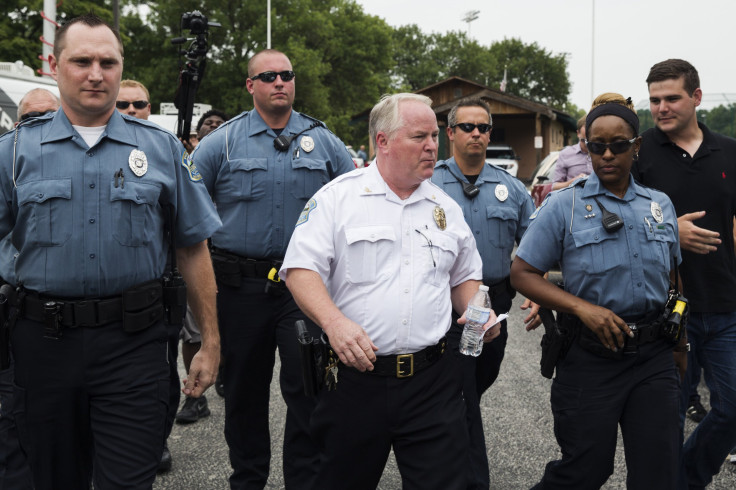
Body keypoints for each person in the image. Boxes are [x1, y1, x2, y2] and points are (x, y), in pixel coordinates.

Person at [0, 14, 222, 489]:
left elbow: (193, 246)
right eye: (82, 61)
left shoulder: (162, 150)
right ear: (56, 67)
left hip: (134, 347)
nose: (95, 73)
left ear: (122, 67)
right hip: (42, 346)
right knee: (52, 478)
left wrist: (210, 340)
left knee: (130, 479)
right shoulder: (14, 152)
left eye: (108, 61)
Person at [280, 93, 501, 490]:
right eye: (420, 136)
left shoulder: (444, 207)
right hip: (354, 381)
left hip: (432, 383)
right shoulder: (338, 199)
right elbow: (300, 270)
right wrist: (334, 323)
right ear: (382, 141)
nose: (433, 146)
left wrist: (478, 309)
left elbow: (466, 276)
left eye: (435, 136)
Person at [190, 49, 355, 489]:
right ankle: (247, 479)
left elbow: (356, 205)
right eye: (268, 76)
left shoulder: (324, 142)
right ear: (251, 86)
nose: (279, 82)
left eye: (286, 75)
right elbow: (188, 212)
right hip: (240, 287)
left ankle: (303, 481)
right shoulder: (220, 142)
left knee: (308, 391)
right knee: (244, 393)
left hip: (303, 289)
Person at [511, 93, 686, 489]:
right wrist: (581, 309)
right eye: (597, 146)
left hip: (654, 355)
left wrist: (680, 346)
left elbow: (674, 279)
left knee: (658, 470)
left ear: (636, 146)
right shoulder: (563, 206)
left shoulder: (659, 205)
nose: (607, 154)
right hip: (591, 356)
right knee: (584, 470)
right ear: (586, 146)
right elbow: (522, 272)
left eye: (619, 145)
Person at [632, 58, 736, 488]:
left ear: (696, 97)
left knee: (732, 408)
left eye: (671, 98)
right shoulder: (638, 153)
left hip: (726, 307)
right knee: (667, 418)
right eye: (654, 100)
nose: (661, 108)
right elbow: (615, 218)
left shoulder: (729, 151)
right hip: (668, 311)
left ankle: (689, 477)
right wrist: (669, 229)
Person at [431, 97, 539, 489]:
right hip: (442, 307)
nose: (476, 133)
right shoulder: (428, 185)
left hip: (494, 307)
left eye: (483, 127)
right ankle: (469, 477)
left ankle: (443, 444)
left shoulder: (511, 189)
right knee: (461, 394)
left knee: (475, 384)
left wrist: (539, 291)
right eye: (467, 127)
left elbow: (534, 246)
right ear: (450, 133)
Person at [0, 88, 60, 490]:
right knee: (12, 416)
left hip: (71, 319)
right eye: (30, 117)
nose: (38, 124)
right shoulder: (8, 161)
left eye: (47, 117)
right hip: (14, 309)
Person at [175, 109, 231, 422]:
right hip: (195, 255)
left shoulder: (231, 156)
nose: (214, 126)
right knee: (194, 331)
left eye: (219, 124)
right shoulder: (181, 158)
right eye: (207, 123)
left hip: (228, 257)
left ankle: (222, 372)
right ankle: (194, 396)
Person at [552, 115, 590, 190]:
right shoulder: (566, 154)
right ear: (578, 133)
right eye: (584, 140)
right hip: (573, 199)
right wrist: (573, 181)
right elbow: (555, 187)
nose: (588, 143)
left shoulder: (601, 153)